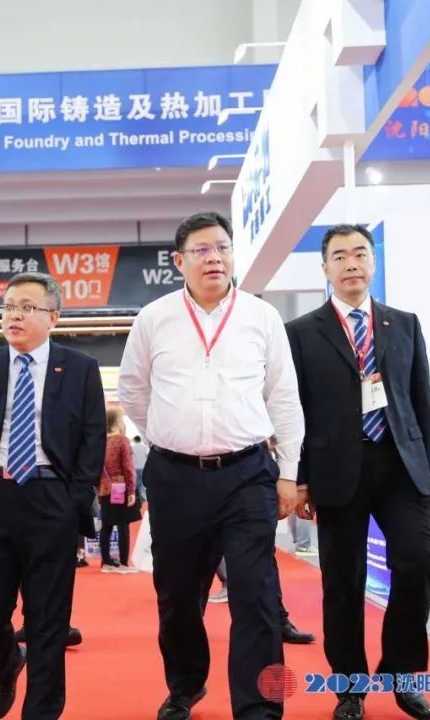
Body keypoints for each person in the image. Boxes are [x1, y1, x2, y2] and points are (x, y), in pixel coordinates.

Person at [119, 212, 304, 720]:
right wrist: (167, 434)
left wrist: (290, 472)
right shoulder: (154, 317)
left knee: (256, 593)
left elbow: (284, 397)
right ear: (179, 261)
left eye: (222, 248)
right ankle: (186, 685)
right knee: (178, 595)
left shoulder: (261, 317)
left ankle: (259, 706)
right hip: (175, 477)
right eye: (201, 250)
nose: (214, 258)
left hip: (247, 474)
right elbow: (132, 390)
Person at [285, 224, 430, 720]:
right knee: (343, 582)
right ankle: (350, 687)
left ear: (373, 262)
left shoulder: (403, 323)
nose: (351, 263)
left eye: (360, 254)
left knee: (417, 561)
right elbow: (295, 410)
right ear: (324, 268)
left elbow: (420, 401)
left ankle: (401, 672)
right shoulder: (301, 332)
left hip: (400, 466)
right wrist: (299, 477)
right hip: (335, 471)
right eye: (340, 256)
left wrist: (429, 472)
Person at [0, 272, 106, 720]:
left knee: (48, 621)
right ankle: (6, 664)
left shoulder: (80, 368)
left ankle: (42, 711)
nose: (14, 315)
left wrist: (76, 498)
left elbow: (93, 439)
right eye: (9, 307)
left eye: (27, 307)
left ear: (53, 317)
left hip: (52, 499)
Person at [98, 408, 138, 573]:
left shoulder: (99, 442)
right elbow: (128, 467)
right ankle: (123, 563)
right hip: (120, 486)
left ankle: (106, 562)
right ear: (116, 423)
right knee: (123, 524)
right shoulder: (121, 441)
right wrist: (131, 489)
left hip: (104, 488)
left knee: (106, 525)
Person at [131, 435, 148, 501]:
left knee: (135, 481)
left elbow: (131, 457)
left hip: (135, 467)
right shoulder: (144, 447)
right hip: (143, 467)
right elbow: (146, 456)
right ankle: (142, 497)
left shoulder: (132, 447)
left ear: (135, 440)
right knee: (142, 483)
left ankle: (136, 496)